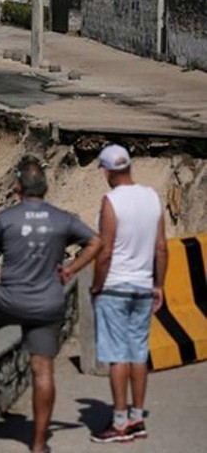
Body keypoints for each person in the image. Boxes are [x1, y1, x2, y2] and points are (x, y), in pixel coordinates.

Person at [0, 155, 102, 453]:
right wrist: (72, 268)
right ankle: (39, 444)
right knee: (43, 372)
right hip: (48, 305)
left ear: (17, 187)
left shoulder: (6, 219)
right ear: (45, 187)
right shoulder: (62, 218)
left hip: (11, 300)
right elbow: (97, 243)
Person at [61, 144, 167, 443]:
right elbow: (161, 247)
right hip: (144, 287)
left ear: (107, 171)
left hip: (116, 288)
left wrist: (97, 286)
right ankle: (137, 418)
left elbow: (105, 252)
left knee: (118, 357)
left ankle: (120, 422)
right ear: (129, 166)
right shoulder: (151, 197)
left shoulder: (111, 202)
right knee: (138, 354)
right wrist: (158, 284)